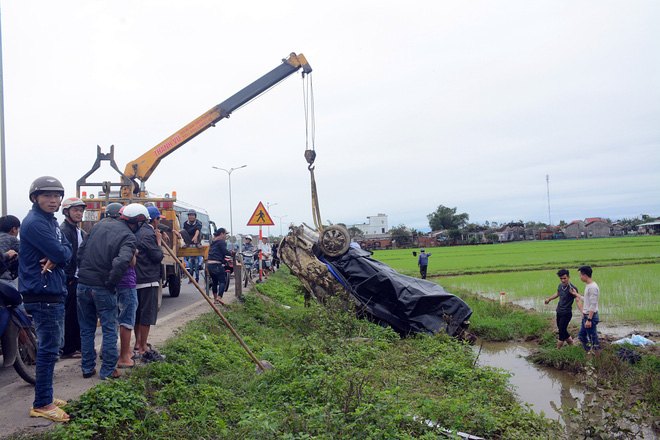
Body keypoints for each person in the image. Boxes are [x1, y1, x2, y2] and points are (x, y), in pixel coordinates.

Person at [19, 176, 72, 422]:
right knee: (49, 349)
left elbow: (68, 249)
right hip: (43, 293)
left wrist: (59, 256)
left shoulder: (49, 221)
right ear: (35, 198)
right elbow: (62, 251)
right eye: (47, 196)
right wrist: (59, 254)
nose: (53, 200)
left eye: (57, 196)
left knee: (53, 347)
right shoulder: (35, 223)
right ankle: (42, 403)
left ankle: (46, 395)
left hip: (51, 290)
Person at [76, 203, 141, 380]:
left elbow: (80, 252)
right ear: (138, 222)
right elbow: (122, 262)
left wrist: (83, 274)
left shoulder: (98, 227)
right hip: (102, 287)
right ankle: (108, 371)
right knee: (109, 329)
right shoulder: (128, 235)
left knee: (87, 329)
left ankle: (87, 368)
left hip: (83, 284)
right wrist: (111, 284)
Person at [134, 206, 165, 363]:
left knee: (137, 314)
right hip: (147, 279)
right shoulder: (148, 234)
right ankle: (143, 347)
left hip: (136, 278)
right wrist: (158, 241)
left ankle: (138, 343)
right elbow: (157, 256)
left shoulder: (136, 230)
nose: (159, 222)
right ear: (153, 220)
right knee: (146, 314)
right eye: (159, 219)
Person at [59, 197, 87, 359]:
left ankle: (77, 346)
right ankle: (69, 348)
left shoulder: (76, 229)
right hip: (70, 279)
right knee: (70, 315)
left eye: (81, 210)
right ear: (66, 212)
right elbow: (66, 257)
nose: (79, 213)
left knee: (76, 314)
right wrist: (69, 277)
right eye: (76, 210)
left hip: (76, 277)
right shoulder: (65, 230)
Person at [544, 269, 581, 349]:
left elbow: (577, 300)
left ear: (568, 277)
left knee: (561, 331)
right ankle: (572, 345)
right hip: (559, 311)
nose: (563, 280)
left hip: (567, 313)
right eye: (561, 278)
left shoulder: (572, 289)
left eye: (564, 278)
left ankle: (557, 349)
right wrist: (549, 299)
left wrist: (582, 312)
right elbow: (557, 293)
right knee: (562, 329)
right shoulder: (560, 286)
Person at [570, 265, 601, 356]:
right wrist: (576, 294)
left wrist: (589, 319)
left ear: (585, 276)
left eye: (580, 275)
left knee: (593, 339)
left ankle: (597, 359)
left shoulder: (593, 287)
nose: (580, 277)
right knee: (582, 335)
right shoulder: (589, 286)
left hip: (590, 316)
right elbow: (587, 300)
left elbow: (593, 304)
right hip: (586, 316)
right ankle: (588, 352)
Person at [207, 228, 233, 303]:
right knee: (222, 281)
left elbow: (217, 253)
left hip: (209, 264)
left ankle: (215, 299)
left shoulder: (213, 242)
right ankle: (219, 296)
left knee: (214, 282)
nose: (225, 236)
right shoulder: (221, 241)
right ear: (221, 234)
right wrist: (231, 253)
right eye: (225, 234)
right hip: (216, 264)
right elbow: (224, 251)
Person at [0, 215, 21, 284]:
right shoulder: (12, 239)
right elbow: (27, 251)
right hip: (4, 278)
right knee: (14, 294)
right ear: (14, 229)